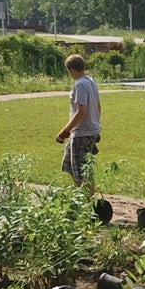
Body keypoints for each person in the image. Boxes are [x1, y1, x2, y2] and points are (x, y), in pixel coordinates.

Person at [56, 54, 101, 190]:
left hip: (82, 133)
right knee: (69, 165)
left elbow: (81, 112)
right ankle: (82, 195)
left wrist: (64, 131)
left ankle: (89, 202)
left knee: (81, 173)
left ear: (71, 70)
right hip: (85, 131)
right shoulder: (91, 82)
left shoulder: (80, 85)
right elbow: (98, 106)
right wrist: (96, 124)